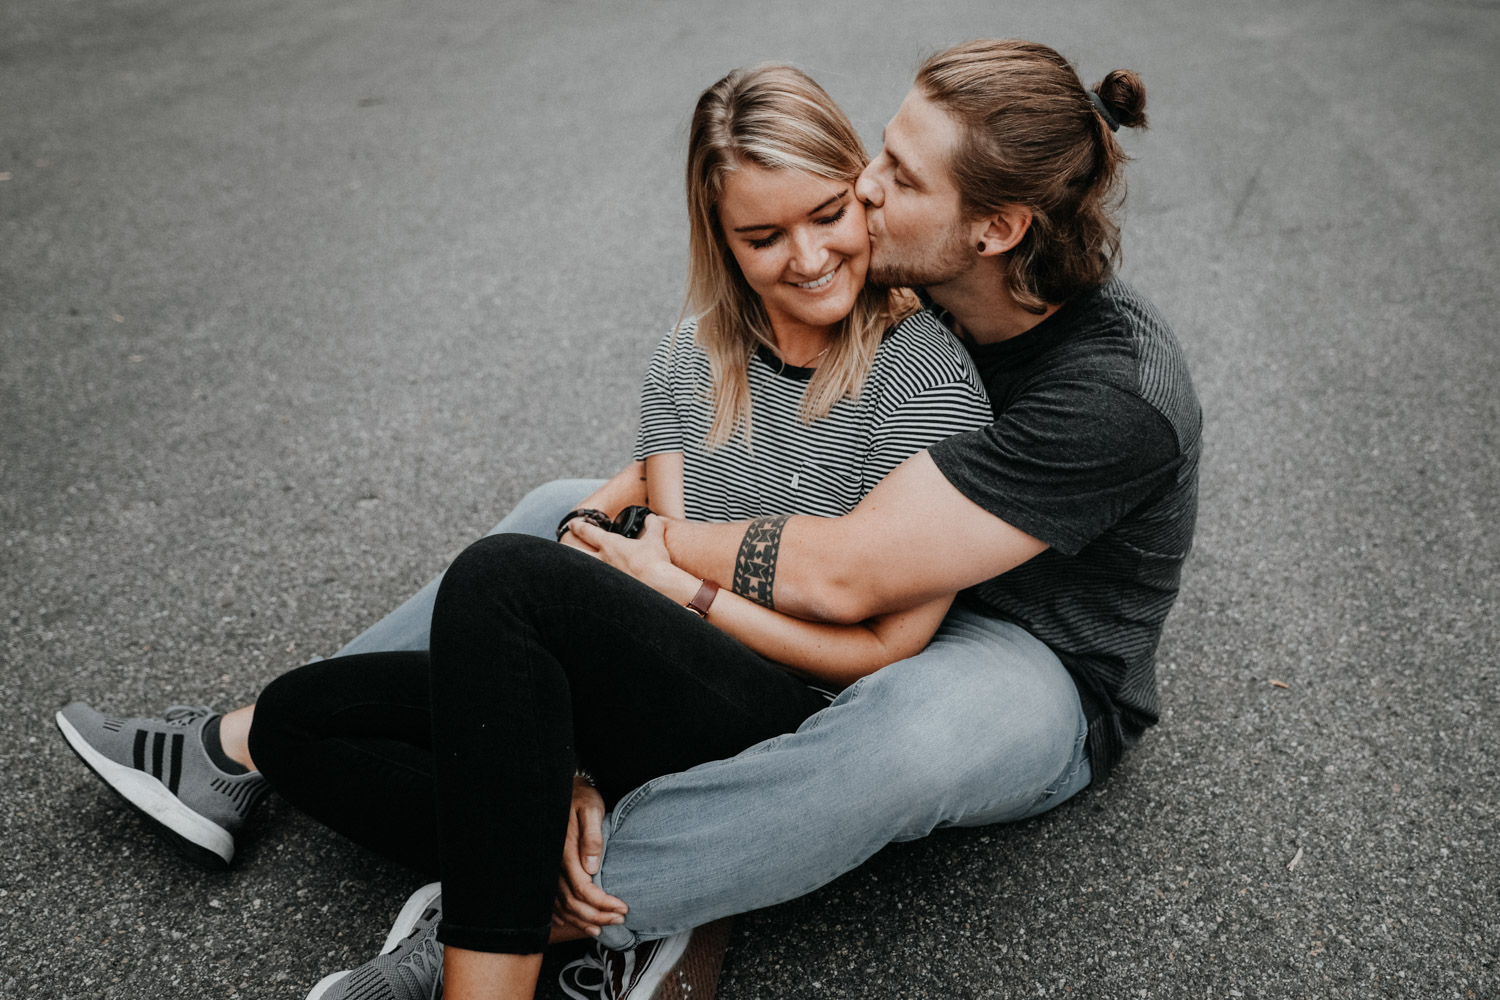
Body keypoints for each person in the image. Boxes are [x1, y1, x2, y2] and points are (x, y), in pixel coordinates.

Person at [60, 36, 1201, 1000]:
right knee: (557, 513)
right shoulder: (914, 274)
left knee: (913, 731)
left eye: (895, 177)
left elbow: (852, 579)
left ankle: (524, 916)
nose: (858, 195)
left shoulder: (1115, 394)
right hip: (850, 553)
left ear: (998, 229)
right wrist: (632, 497)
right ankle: (243, 745)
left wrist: (665, 562)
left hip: (1025, 655)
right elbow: (785, 412)